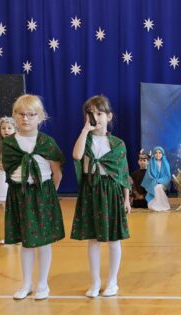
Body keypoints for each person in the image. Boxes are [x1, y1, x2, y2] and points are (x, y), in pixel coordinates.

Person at [2, 95, 65, 300]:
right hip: (18, 194)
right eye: (21, 114)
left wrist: (49, 195)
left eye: (31, 114)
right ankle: (26, 283)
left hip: (42, 194)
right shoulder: (9, 144)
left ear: (41, 117)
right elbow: (10, 169)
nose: (26, 118)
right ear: (14, 115)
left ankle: (42, 284)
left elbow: (57, 172)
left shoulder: (47, 143)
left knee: (43, 242)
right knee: (26, 242)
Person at [71, 95, 131, 298]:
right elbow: (77, 156)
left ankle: (112, 281)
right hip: (91, 191)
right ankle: (95, 281)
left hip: (111, 192)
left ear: (109, 116)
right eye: (91, 113)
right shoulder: (85, 140)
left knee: (114, 240)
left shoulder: (117, 143)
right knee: (93, 240)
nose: (95, 117)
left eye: (99, 113)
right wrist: (85, 130)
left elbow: (123, 173)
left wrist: (126, 199)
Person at [0, 116, 16, 244]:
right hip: (1, 179)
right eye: (3, 128)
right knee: (6, 209)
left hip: (14, 178)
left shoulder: (17, 145)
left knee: (14, 208)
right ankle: (9, 236)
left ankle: (18, 235)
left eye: (9, 128)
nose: (6, 130)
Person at [142, 146, 171, 211]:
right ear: (154, 154)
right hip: (152, 181)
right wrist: (154, 181)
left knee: (158, 187)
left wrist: (159, 180)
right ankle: (153, 204)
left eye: (159, 153)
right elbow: (148, 175)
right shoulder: (151, 163)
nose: (158, 154)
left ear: (162, 154)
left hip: (163, 182)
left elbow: (167, 176)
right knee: (156, 187)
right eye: (156, 153)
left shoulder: (166, 163)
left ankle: (163, 205)